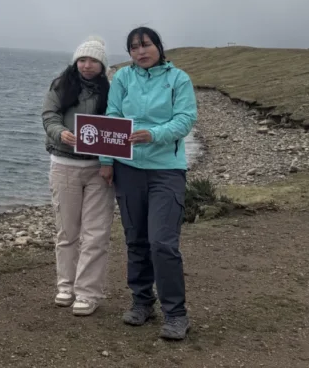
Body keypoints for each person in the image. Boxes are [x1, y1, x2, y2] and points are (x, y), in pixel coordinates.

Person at [98, 26, 198, 340]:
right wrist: (106, 159)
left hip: (166, 170)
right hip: (127, 169)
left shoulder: (178, 79)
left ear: (158, 46)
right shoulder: (123, 79)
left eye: (146, 45)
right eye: (134, 48)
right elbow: (111, 115)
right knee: (136, 239)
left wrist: (154, 134)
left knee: (162, 242)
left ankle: (176, 314)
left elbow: (185, 119)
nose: (141, 52)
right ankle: (142, 302)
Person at [41, 35, 114, 317]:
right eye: (82, 59)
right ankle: (65, 286)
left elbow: (117, 124)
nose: (86, 65)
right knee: (67, 231)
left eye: (93, 60)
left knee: (96, 233)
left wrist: (110, 160)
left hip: (99, 167)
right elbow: (49, 116)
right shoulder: (61, 84)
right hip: (63, 164)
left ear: (102, 64)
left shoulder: (112, 91)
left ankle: (88, 293)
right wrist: (61, 133)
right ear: (75, 61)